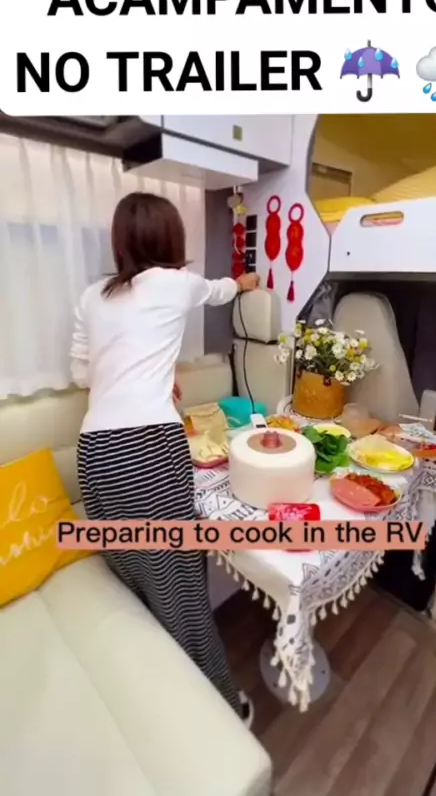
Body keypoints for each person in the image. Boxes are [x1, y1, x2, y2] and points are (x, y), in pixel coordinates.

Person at [70, 191, 260, 726]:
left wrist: (145, 369)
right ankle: (223, 710)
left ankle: (163, 698)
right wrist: (247, 282)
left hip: (95, 455)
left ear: (121, 242)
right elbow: (223, 289)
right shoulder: (177, 283)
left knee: (135, 580)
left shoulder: (91, 297)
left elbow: (82, 374)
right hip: (147, 452)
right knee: (180, 588)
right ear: (171, 239)